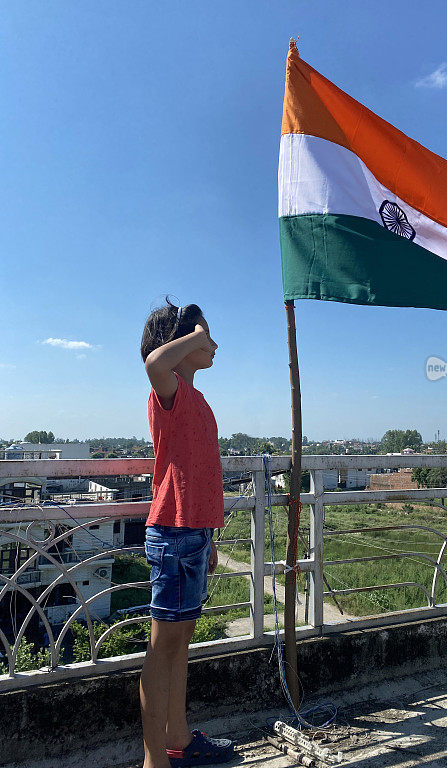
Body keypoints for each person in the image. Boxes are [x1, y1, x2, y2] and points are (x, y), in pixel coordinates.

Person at [139, 298, 235, 768]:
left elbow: (197, 472)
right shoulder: (169, 389)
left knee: (180, 649)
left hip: (193, 536)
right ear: (180, 341)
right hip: (173, 535)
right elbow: (153, 362)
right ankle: (154, 760)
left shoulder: (195, 398)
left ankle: (178, 738)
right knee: (163, 651)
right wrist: (193, 332)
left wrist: (210, 539)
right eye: (203, 337)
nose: (211, 345)